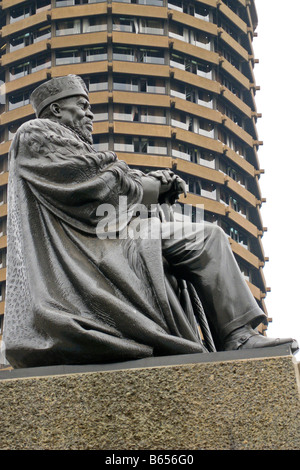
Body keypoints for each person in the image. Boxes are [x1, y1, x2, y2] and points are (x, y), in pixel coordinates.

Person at [3, 75, 298, 368]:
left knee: (204, 237)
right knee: (206, 238)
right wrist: (150, 187)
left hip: (109, 236)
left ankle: (237, 335)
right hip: (86, 248)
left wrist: (151, 188)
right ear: (56, 109)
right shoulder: (36, 133)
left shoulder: (69, 144)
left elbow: (108, 186)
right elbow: (93, 186)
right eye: (82, 105)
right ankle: (238, 337)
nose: (90, 113)